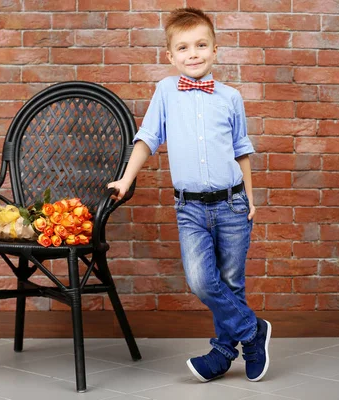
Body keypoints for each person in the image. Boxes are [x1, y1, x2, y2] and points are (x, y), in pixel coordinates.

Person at [107, 7, 271, 382]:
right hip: (190, 208)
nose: (193, 54)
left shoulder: (230, 97)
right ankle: (253, 331)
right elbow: (147, 137)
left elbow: (241, 149)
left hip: (231, 203)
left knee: (231, 283)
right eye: (183, 48)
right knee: (201, 280)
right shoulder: (166, 91)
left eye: (201, 45)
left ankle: (222, 353)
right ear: (170, 56)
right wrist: (125, 179)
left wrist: (250, 197)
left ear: (215, 50)